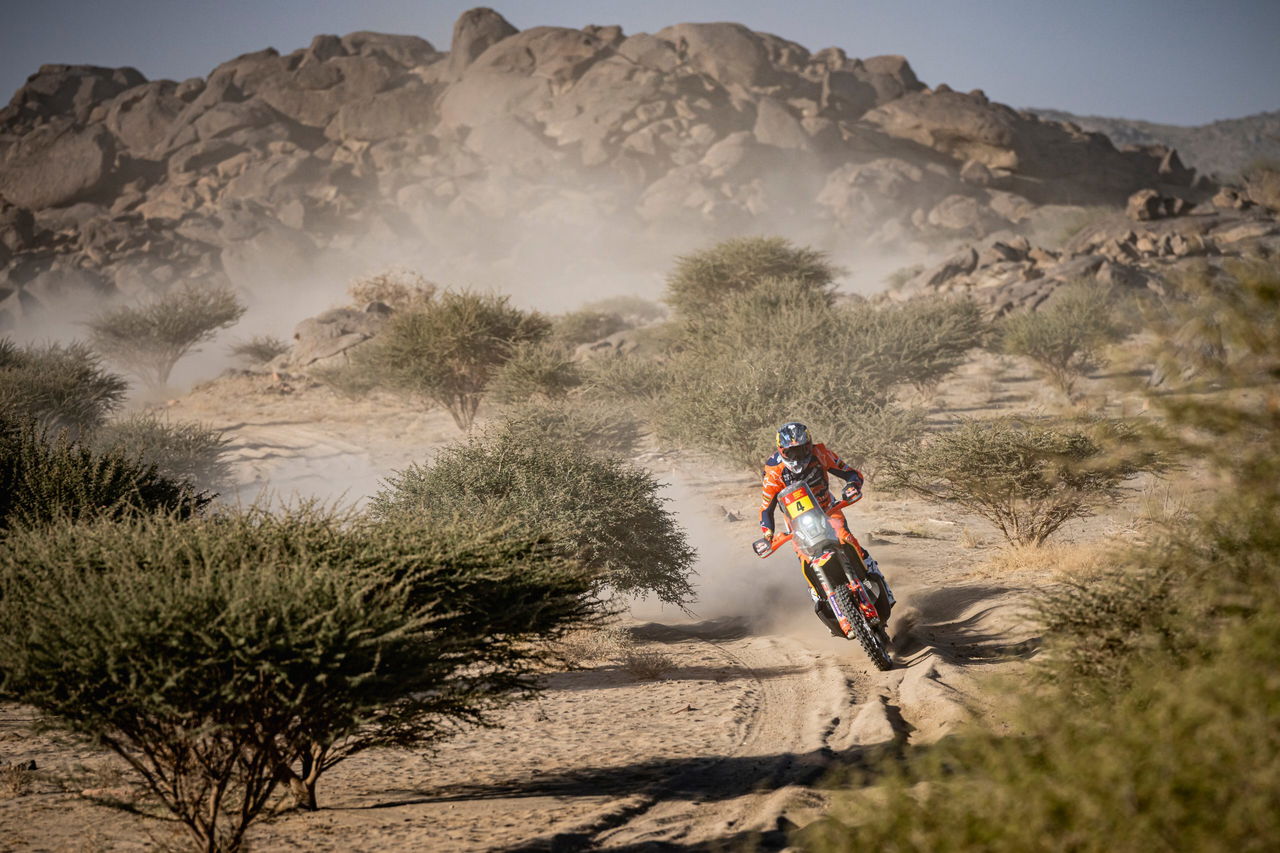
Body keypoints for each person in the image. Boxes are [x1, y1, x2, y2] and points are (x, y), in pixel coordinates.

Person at [757, 421, 895, 636]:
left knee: (846, 538)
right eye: (791, 451)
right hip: (796, 522)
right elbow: (766, 508)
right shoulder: (774, 470)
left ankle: (873, 573)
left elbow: (851, 473)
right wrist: (767, 535)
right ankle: (823, 598)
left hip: (827, 510)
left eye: (802, 449)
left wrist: (852, 486)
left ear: (809, 445)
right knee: (805, 560)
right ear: (781, 450)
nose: (797, 455)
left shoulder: (821, 453)